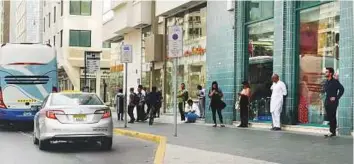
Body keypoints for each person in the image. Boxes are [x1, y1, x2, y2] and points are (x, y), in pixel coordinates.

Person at [323, 67, 344, 137]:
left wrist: (336, 97)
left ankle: (332, 132)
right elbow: (325, 90)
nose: (325, 73)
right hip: (327, 102)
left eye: (327, 72)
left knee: (332, 117)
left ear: (330, 73)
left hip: (333, 102)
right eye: (325, 72)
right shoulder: (326, 81)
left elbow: (342, 89)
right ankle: (332, 131)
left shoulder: (335, 81)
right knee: (329, 117)